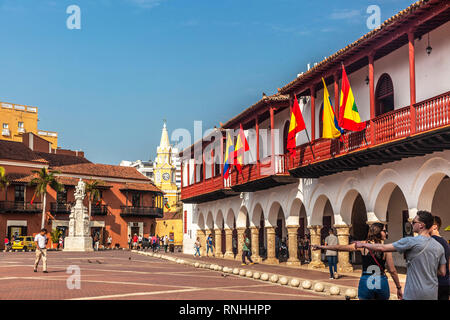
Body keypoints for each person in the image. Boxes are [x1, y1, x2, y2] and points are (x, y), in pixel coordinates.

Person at [356, 211, 446, 300]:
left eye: (414, 222)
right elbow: (442, 272)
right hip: (432, 293)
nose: (411, 224)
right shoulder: (439, 246)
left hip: (413, 294)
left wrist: (363, 245)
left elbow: (382, 248)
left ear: (421, 225)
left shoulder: (410, 241)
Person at [313, 223, 402, 300]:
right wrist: (398, 287)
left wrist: (322, 247)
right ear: (378, 232)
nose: (386, 233)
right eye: (384, 230)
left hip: (366, 280)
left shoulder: (362, 245)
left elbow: (340, 247)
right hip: (380, 280)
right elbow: (392, 271)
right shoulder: (385, 248)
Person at [430, 216, 449, 300]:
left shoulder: (431, 241)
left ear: (435, 226)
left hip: (436, 283)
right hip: (446, 282)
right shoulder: (445, 242)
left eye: (428, 224)